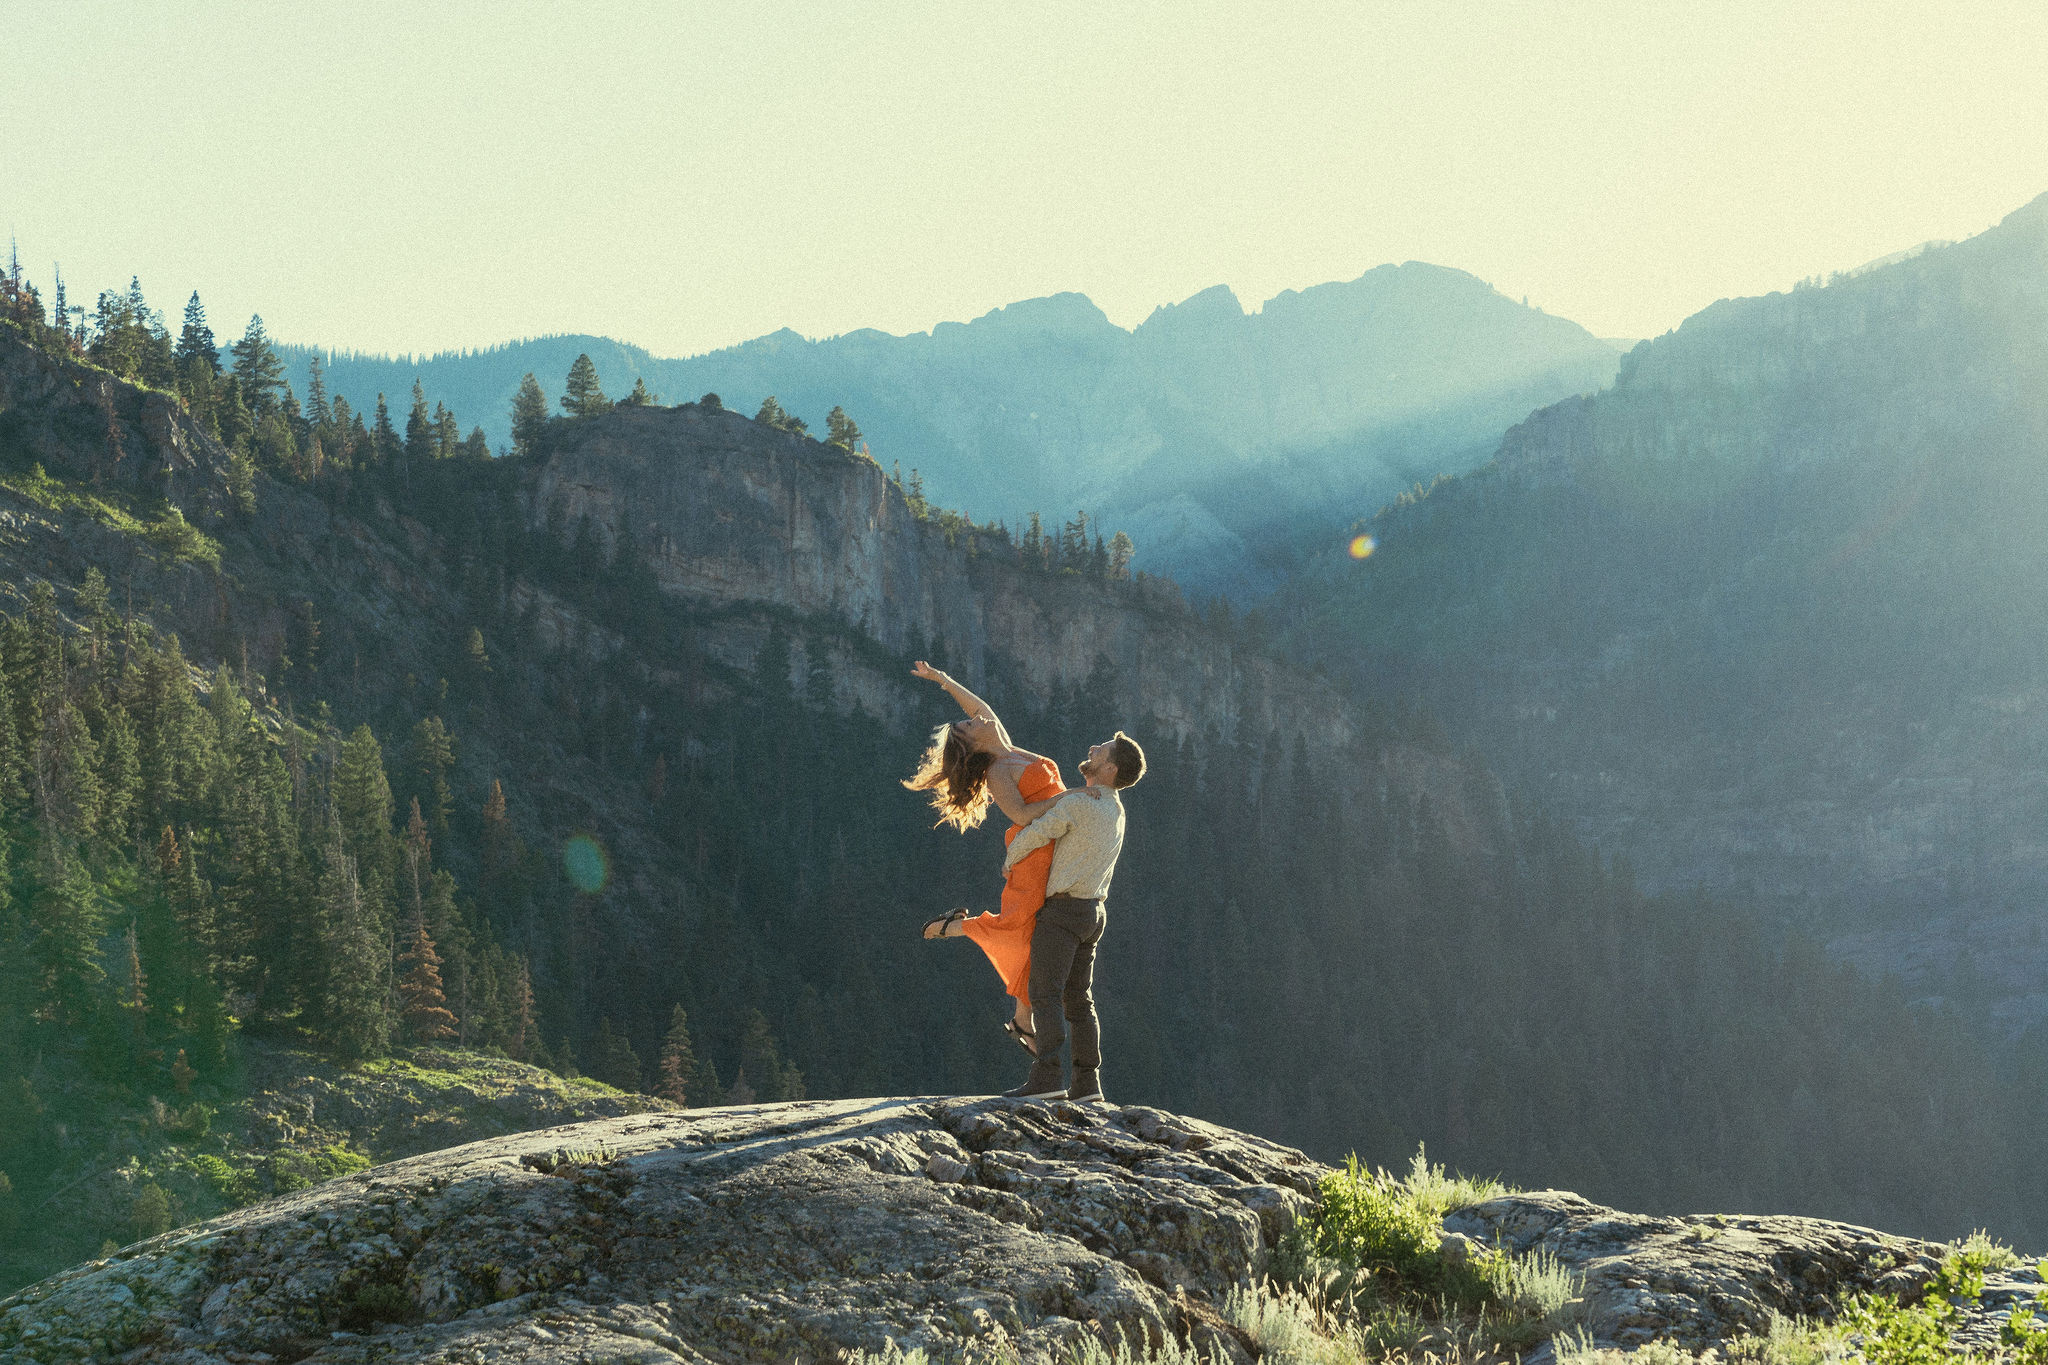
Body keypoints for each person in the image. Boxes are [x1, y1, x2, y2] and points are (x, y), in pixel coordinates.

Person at [903, 661, 1070, 1054]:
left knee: (1037, 937)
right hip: (1033, 853)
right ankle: (955, 928)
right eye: (969, 726)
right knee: (1021, 928)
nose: (974, 719)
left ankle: (1021, 1019)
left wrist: (943, 681)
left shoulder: (1008, 747)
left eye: (970, 720)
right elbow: (1022, 816)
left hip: (1051, 846)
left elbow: (980, 706)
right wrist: (1075, 797)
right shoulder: (999, 770)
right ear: (975, 743)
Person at [996, 729, 1143, 1102]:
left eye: (1101, 750)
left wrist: (1011, 859)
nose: (1092, 748)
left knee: (1044, 995)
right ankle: (1087, 1085)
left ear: (1109, 768)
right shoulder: (1116, 809)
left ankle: (1047, 1078)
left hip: (1062, 911)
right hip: (1094, 913)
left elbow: (1037, 831)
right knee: (1079, 1000)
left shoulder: (1081, 805)